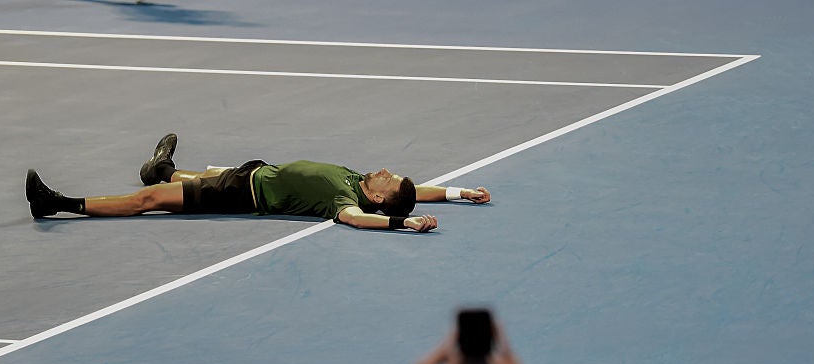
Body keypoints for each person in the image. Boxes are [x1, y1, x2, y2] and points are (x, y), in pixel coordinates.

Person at [25, 133, 491, 232]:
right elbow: (418, 193)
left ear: (377, 198)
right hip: (251, 172)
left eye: (389, 180)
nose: (386, 170)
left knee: (148, 201)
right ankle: (161, 168)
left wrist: (401, 227)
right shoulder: (361, 181)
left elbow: (353, 220)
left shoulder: (346, 199)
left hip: (241, 193)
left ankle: (60, 204)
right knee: (173, 181)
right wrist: (458, 192)